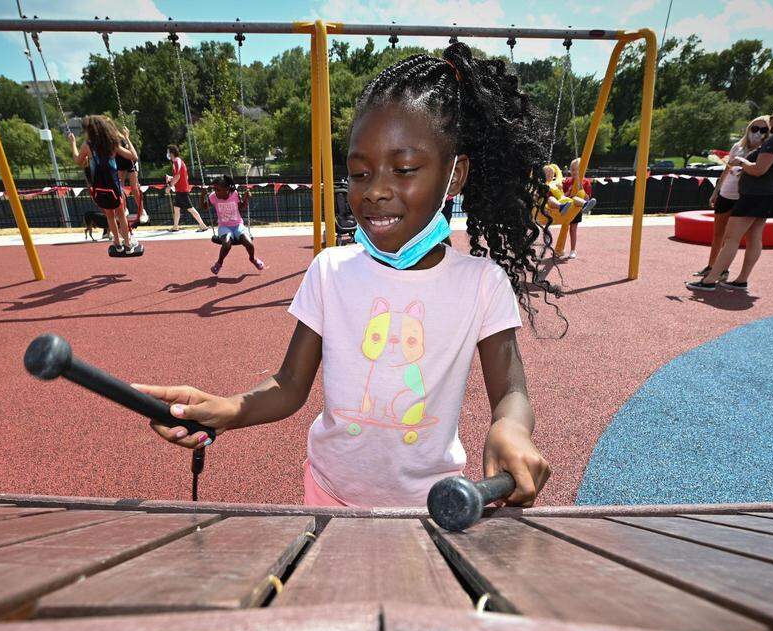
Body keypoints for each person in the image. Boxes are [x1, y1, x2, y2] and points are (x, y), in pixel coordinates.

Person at [134, 44, 551, 509]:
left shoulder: (482, 284)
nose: (375, 191)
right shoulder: (330, 271)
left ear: (455, 175)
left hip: (431, 506)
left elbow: (512, 391)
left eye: (404, 169)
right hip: (327, 495)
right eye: (359, 172)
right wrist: (225, 410)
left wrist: (511, 428)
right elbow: (290, 385)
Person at [689, 101, 773, 292]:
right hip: (771, 193)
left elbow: (759, 170)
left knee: (732, 237)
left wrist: (741, 161)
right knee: (754, 237)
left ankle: (710, 279)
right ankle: (741, 279)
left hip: (756, 194)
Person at [695, 116, 769, 281]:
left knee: (732, 238)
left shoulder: (765, 152)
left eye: (763, 130)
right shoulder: (738, 146)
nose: (757, 133)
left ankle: (723, 271)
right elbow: (727, 170)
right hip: (726, 193)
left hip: (742, 197)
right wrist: (716, 191)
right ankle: (711, 266)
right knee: (718, 234)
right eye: (754, 128)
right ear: (748, 128)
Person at [70, 115, 139, 254]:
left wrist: (72, 143)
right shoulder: (112, 143)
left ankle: (117, 244)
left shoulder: (87, 145)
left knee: (110, 216)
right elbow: (134, 156)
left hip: (99, 187)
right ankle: (127, 244)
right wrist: (127, 138)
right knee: (121, 215)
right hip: (114, 185)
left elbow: (78, 161)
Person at [207, 174, 265, 275]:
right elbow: (204, 207)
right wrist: (203, 195)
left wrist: (246, 198)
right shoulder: (213, 196)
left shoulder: (234, 194)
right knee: (226, 244)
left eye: (218, 190)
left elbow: (241, 207)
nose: (216, 192)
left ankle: (252, 259)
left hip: (238, 225)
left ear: (227, 189)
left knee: (249, 243)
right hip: (224, 227)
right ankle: (219, 263)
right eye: (215, 189)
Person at [165, 145, 208, 232]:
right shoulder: (178, 161)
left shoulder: (176, 162)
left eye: (168, 152)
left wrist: (169, 186)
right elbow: (183, 176)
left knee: (190, 209)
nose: (167, 154)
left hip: (181, 190)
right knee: (176, 208)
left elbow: (177, 176)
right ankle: (175, 226)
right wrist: (170, 178)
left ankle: (203, 225)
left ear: (172, 153)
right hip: (180, 190)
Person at [562, 158, 596, 259]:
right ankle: (561, 248)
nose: (573, 172)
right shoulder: (567, 181)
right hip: (567, 207)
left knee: (573, 229)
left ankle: (573, 250)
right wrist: (568, 191)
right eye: (572, 169)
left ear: (582, 170)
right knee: (564, 228)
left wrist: (581, 188)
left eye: (576, 170)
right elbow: (562, 196)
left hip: (576, 208)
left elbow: (587, 198)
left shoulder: (586, 182)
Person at [115, 124, 148, 224]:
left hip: (130, 163)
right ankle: (124, 209)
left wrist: (126, 137)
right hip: (120, 164)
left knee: (134, 188)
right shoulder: (107, 141)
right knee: (120, 188)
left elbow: (134, 156)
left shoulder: (121, 139)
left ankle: (142, 211)